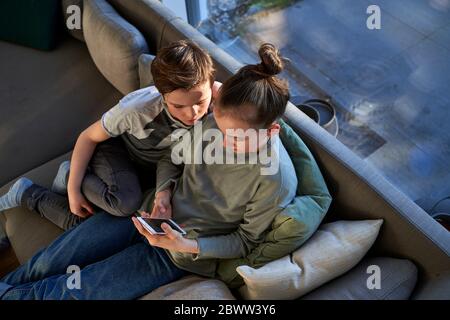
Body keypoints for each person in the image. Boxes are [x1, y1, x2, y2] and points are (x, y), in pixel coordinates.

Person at [0, 43, 298, 300]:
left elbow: (246, 241)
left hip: (176, 254)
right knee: (50, 261)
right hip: (146, 214)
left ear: (272, 131)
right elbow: (172, 157)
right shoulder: (214, 120)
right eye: (220, 128)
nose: (223, 140)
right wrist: (164, 193)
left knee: (74, 292)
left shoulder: (275, 181)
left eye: (236, 137)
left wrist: (189, 245)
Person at [0, 40, 219, 230]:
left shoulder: (217, 98)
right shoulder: (137, 109)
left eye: (200, 102)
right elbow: (88, 137)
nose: (192, 113)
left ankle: (29, 193)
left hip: (154, 164)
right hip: (116, 152)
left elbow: (239, 94)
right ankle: (69, 175)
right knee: (125, 204)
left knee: (97, 221)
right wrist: (73, 189)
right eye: (178, 106)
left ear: (211, 87)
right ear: (162, 96)